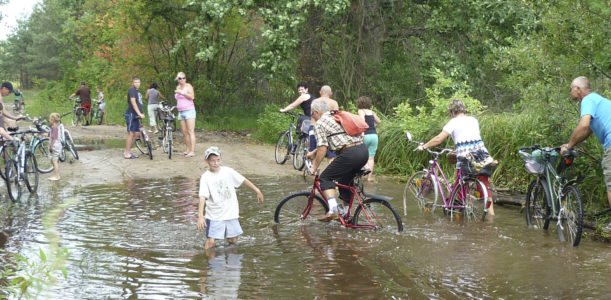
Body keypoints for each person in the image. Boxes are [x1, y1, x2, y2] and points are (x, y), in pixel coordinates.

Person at [417, 99, 495, 216]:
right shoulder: (473, 120)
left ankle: (457, 212)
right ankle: (491, 217)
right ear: (463, 109)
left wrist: (424, 146)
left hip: (466, 159)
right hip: (482, 157)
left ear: (452, 112)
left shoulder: (453, 122)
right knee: (484, 188)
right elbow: (469, 138)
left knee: (460, 186)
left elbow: (439, 139)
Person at [308, 100, 368, 221]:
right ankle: (346, 213)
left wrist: (314, 167)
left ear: (316, 112)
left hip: (350, 153)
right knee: (344, 180)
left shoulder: (319, 123)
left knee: (325, 177)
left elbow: (323, 148)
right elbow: (337, 138)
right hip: (362, 151)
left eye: (312, 114)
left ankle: (334, 210)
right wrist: (313, 152)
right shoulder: (336, 117)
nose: (312, 117)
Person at [562, 76, 611, 218]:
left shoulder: (588, 100)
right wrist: (570, 144)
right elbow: (589, 129)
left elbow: (584, 125)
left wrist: (569, 146)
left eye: (571, 89)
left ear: (578, 89)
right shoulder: (599, 100)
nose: (570, 92)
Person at [197, 146, 264, 249]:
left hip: (231, 213)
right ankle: (209, 261)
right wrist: (200, 217)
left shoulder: (228, 171)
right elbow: (202, 196)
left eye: (218, 160)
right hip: (215, 215)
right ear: (206, 161)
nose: (215, 163)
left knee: (233, 240)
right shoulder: (205, 177)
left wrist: (257, 190)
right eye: (212, 161)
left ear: (221, 159)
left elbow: (243, 180)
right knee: (211, 242)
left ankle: (232, 262)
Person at [306, 85, 338, 162]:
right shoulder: (334, 103)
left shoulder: (314, 101)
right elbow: (336, 116)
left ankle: (313, 171)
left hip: (313, 127)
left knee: (312, 152)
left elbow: (312, 114)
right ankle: (331, 172)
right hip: (329, 129)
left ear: (320, 92)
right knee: (331, 155)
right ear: (331, 93)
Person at [357, 96, 381, 182]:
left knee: (359, 155)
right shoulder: (372, 112)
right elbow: (379, 121)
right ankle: (369, 178)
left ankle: (366, 169)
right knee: (371, 158)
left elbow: (362, 121)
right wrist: (372, 126)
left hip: (365, 135)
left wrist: (362, 132)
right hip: (374, 136)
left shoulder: (361, 111)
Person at [174, 72, 196, 157]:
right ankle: (187, 149)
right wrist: (178, 92)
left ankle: (192, 151)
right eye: (180, 78)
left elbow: (192, 97)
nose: (182, 79)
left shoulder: (188, 86)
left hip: (189, 110)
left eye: (184, 78)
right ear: (178, 79)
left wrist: (182, 93)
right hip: (181, 111)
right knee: (184, 132)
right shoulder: (178, 87)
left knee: (190, 131)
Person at [123, 77, 145, 159]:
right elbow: (133, 102)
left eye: (139, 82)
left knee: (137, 134)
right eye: (135, 82)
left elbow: (139, 103)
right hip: (131, 114)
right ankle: (127, 154)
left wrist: (140, 113)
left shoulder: (137, 91)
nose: (137, 83)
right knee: (131, 133)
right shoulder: (132, 90)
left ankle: (127, 151)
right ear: (133, 83)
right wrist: (139, 113)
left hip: (137, 115)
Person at [48, 113, 62, 181]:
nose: (49, 120)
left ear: (53, 120)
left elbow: (54, 138)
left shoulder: (55, 128)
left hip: (55, 147)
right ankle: (57, 175)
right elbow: (49, 135)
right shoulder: (54, 127)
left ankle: (57, 176)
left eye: (50, 119)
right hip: (55, 147)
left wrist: (51, 146)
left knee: (54, 161)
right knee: (52, 161)